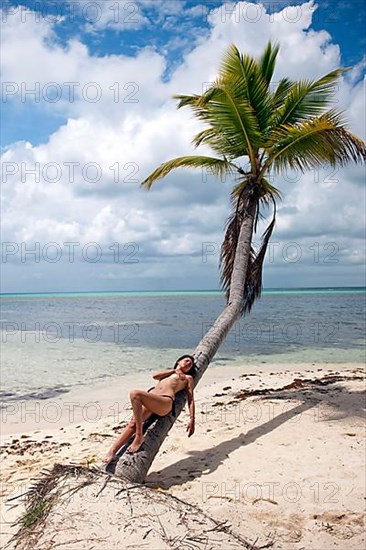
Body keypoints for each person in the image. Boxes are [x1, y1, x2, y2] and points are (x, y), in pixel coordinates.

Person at [103, 355, 196, 462]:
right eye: (187, 361)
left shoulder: (187, 378)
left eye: (191, 365)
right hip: (151, 400)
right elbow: (155, 376)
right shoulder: (169, 373)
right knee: (132, 424)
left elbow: (191, 399)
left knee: (135, 393)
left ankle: (139, 436)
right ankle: (112, 451)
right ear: (179, 361)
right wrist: (174, 371)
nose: (189, 363)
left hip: (165, 401)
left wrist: (192, 419)